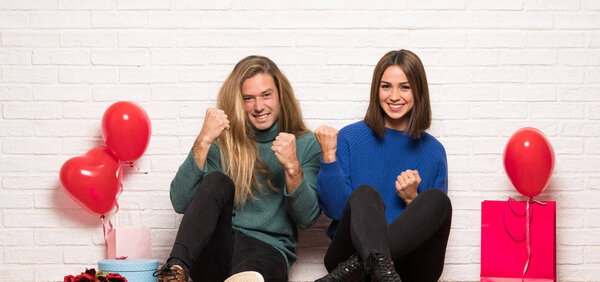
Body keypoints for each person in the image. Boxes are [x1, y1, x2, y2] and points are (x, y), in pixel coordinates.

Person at [154, 55, 322, 282]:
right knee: (217, 181)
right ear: (238, 101)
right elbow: (180, 201)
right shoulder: (223, 143)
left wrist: (292, 167)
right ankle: (175, 270)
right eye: (248, 98)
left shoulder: (304, 144)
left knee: (254, 274)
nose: (259, 106)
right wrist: (203, 140)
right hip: (220, 250)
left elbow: (307, 218)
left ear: (281, 97)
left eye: (266, 95)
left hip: (267, 250)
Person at [314, 50, 452, 282]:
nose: (394, 96)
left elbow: (432, 227)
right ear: (376, 90)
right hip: (346, 253)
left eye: (405, 87)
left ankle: (370, 267)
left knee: (439, 200)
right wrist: (328, 156)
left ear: (418, 91)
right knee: (366, 193)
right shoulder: (349, 138)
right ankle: (374, 267)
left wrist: (412, 199)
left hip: (402, 267)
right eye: (386, 86)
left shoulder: (433, 151)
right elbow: (336, 211)